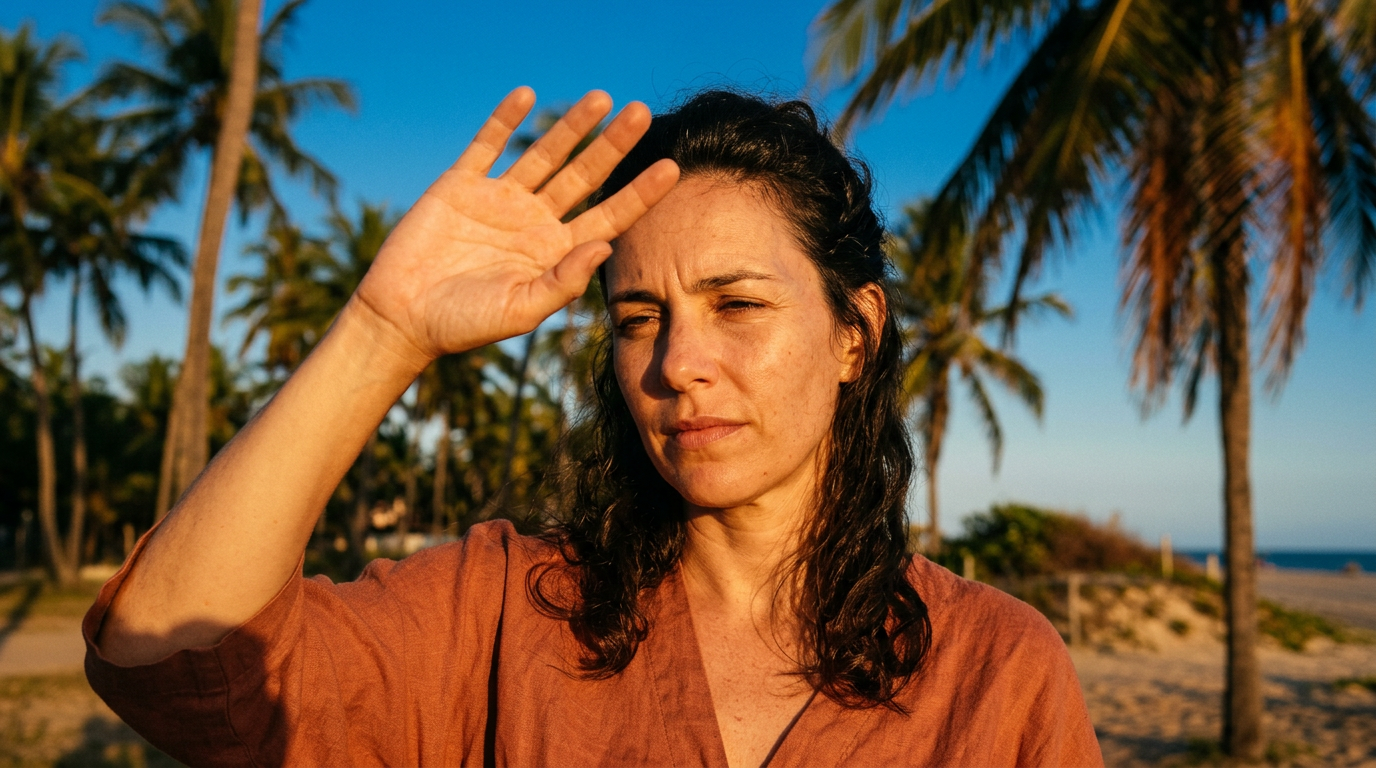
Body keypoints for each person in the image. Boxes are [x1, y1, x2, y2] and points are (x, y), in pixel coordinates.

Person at [83, 87, 1103, 768]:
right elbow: (170, 663)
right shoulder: (503, 610)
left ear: (853, 332)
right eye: (636, 320)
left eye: (736, 304)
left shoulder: (995, 671)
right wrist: (379, 333)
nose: (675, 364)